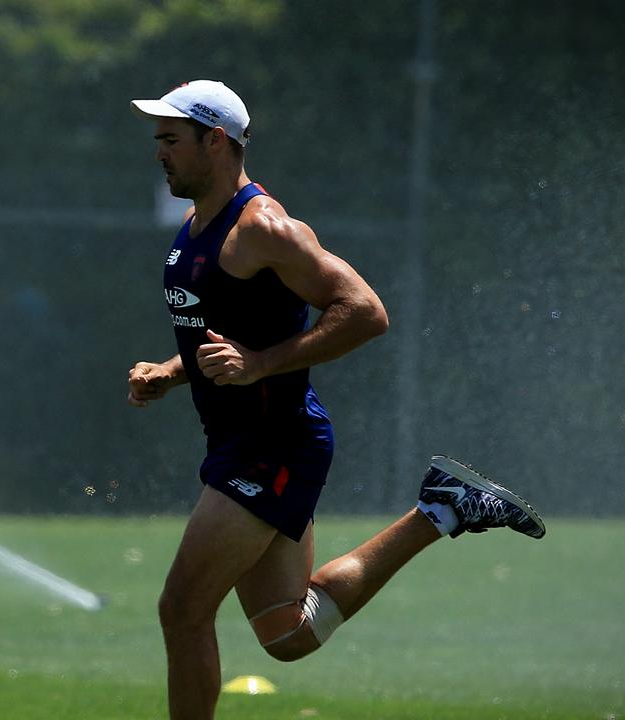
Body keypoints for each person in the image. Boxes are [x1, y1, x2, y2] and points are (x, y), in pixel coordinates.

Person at [126, 80, 546, 720]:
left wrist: (261, 364)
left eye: (170, 140)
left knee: (182, 610)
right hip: (246, 441)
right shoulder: (195, 225)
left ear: (215, 141)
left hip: (272, 445)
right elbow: (232, 341)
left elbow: (365, 312)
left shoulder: (263, 228)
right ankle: (440, 510)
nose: (159, 152)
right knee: (289, 635)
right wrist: (169, 371)